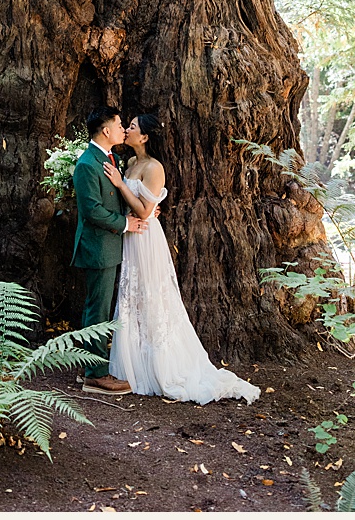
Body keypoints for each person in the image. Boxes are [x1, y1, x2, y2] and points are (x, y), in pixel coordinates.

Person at [106, 113, 261, 403]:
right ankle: (132, 364)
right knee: (132, 296)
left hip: (146, 238)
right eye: (127, 126)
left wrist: (121, 185)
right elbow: (138, 207)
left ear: (146, 137)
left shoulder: (154, 168)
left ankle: (160, 366)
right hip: (131, 235)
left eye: (133, 127)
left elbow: (143, 211)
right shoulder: (129, 163)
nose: (127, 129)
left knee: (151, 295)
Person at [70, 107, 140, 395]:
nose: (123, 128)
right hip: (98, 246)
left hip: (109, 245)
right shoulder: (88, 164)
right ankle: (95, 375)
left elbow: (113, 199)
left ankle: (91, 364)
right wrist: (126, 224)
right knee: (97, 308)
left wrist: (142, 211)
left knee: (99, 306)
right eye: (120, 124)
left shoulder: (110, 158)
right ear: (106, 130)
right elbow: (92, 210)